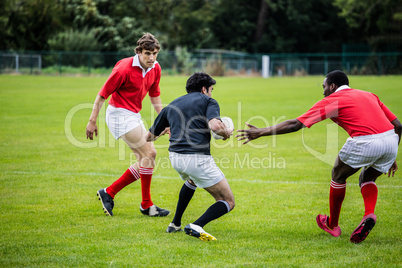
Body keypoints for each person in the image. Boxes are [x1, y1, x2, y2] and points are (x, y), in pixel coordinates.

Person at [236, 70, 401, 243]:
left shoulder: (333, 101)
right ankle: (369, 214)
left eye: (324, 87)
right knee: (367, 178)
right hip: (390, 140)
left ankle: (332, 224)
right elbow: (398, 125)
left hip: (365, 141)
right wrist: (391, 155)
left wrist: (261, 132)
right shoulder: (369, 95)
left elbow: (295, 124)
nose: (323, 92)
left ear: (332, 86)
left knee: (338, 175)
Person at [86, 33, 169, 217]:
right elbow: (102, 95)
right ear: (138, 52)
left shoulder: (155, 68)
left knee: (145, 160)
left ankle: (109, 192)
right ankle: (146, 204)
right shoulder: (124, 68)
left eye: (155, 53)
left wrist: (165, 120)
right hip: (118, 114)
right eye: (147, 53)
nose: (152, 57)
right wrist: (92, 121)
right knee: (150, 153)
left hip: (133, 114)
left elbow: (154, 95)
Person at [146, 72, 235, 241]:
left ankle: (175, 223)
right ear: (204, 89)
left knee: (192, 180)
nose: (211, 93)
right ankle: (197, 225)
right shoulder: (208, 101)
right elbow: (214, 125)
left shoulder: (171, 105)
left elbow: (148, 137)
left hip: (175, 158)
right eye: (211, 89)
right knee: (227, 201)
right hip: (197, 158)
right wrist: (225, 133)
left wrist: (165, 129)